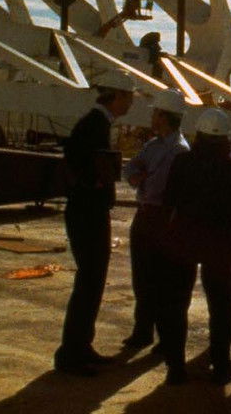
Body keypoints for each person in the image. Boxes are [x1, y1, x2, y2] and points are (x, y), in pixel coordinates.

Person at [53, 69, 136, 376]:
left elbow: (72, 157)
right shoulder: (96, 124)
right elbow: (79, 162)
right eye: (129, 97)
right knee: (89, 282)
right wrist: (95, 183)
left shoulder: (95, 122)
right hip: (88, 214)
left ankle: (79, 347)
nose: (131, 103)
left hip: (86, 211)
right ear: (117, 96)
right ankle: (72, 354)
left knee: (90, 282)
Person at [158, 108, 231, 385]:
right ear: (224, 140)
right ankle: (220, 366)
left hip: (183, 238)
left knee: (176, 303)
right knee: (220, 306)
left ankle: (175, 367)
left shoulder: (182, 163)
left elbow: (168, 201)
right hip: (218, 242)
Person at [121, 88, 189, 351]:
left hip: (163, 218)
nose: (152, 118)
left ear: (165, 116)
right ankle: (143, 330)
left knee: (162, 280)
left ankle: (163, 336)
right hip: (146, 215)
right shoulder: (153, 145)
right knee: (142, 276)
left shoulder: (179, 150)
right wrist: (137, 175)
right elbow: (131, 167)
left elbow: (163, 186)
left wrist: (143, 176)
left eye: (156, 113)